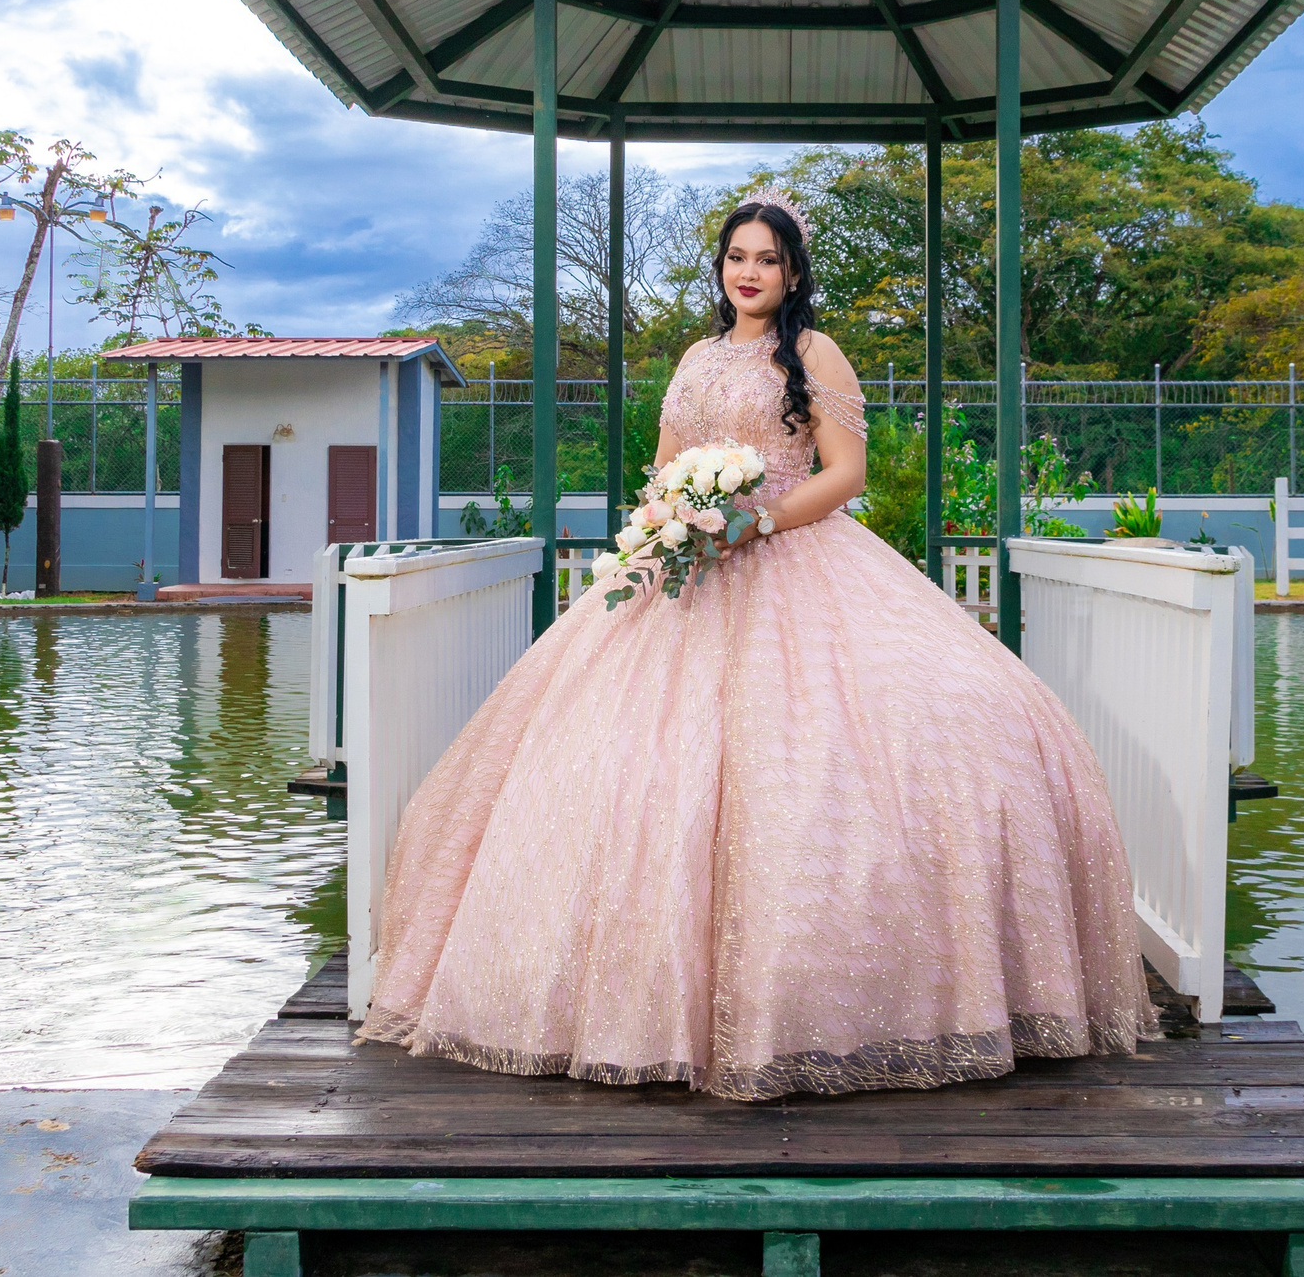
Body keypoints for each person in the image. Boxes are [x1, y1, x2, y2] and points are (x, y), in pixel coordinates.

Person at [355, 191, 1157, 1099]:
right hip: (686, 565)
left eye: (769, 260)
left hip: (795, 555)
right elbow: (661, 463)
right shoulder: (696, 356)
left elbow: (845, 473)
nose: (750, 273)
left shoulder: (814, 353)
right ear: (722, 266)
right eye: (738, 256)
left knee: (839, 757)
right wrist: (677, 512)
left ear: (793, 272)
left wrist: (756, 519)